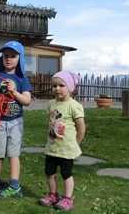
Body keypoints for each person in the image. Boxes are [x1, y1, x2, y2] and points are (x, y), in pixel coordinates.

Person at [0, 41, 32, 198]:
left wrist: (14, 91)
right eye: (6, 56)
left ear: (20, 59)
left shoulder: (22, 78)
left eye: (13, 56)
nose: (9, 59)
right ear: (2, 58)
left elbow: (27, 101)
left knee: (13, 154)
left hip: (15, 123)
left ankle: (14, 184)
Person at [38, 70, 86, 211]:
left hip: (67, 150)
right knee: (49, 172)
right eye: (54, 86)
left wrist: (75, 144)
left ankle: (68, 199)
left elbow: (81, 128)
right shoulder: (51, 104)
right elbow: (50, 121)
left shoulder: (74, 106)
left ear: (70, 88)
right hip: (52, 148)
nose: (57, 89)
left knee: (66, 173)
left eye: (61, 85)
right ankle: (53, 195)